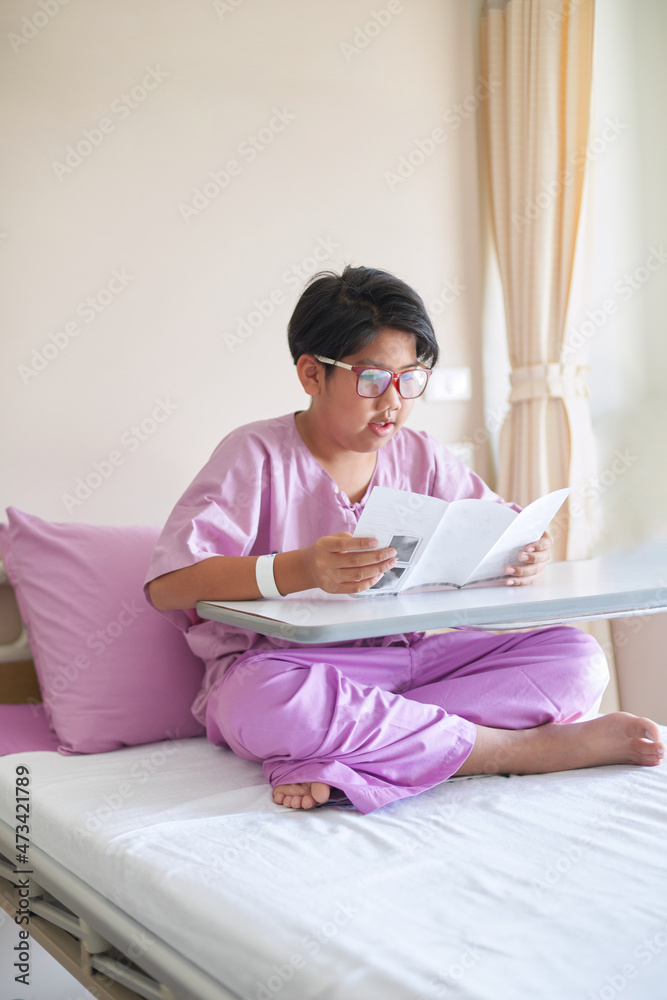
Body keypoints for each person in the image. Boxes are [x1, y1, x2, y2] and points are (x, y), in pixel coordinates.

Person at [144, 266, 664, 815]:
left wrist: (526, 550)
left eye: (410, 378)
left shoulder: (421, 454)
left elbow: (500, 523)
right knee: (260, 702)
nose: (393, 402)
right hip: (292, 669)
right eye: (371, 379)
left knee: (578, 658)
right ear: (311, 374)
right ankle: (511, 749)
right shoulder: (255, 455)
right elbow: (168, 586)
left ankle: (345, 754)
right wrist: (298, 569)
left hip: (417, 660)